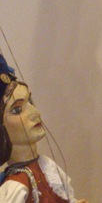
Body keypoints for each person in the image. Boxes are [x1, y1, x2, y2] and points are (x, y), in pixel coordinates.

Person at [0, 56, 87, 202]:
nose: (35, 113)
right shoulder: (16, 186)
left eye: (30, 102)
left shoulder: (45, 165)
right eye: (17, 110)